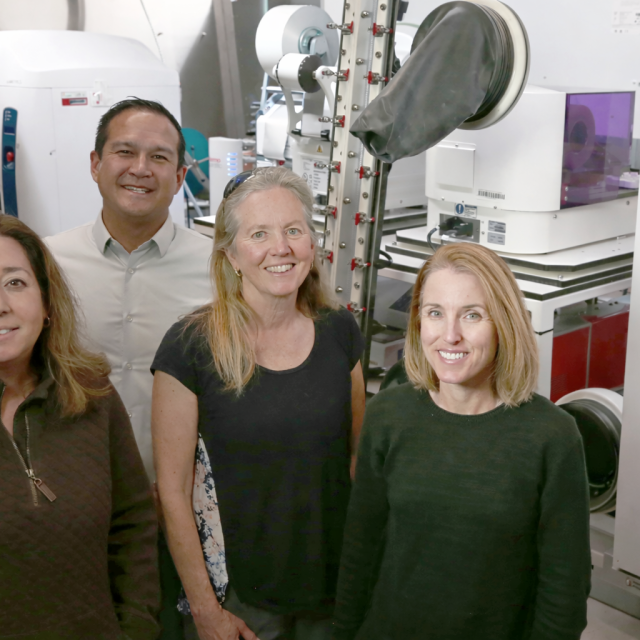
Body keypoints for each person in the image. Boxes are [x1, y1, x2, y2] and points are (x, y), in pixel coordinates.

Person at [332, 242, 591, 640]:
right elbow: (360, 550)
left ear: (503, 323)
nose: (449, 335)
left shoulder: (552, 436)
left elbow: (564, 593)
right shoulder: (388, 413)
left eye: (471, 315)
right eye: (435, 313)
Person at [151, 166, 366, 640]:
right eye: (259, 234)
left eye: (294, 230)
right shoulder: (191, 347)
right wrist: (207, 612)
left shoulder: (339, 331)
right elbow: (172, 492)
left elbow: (356, 459)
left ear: (312, 242)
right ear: (230, 254)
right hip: (241, 602)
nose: (281, 248)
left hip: (332, 592)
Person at [45, 98, 213, 639]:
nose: (141, 168)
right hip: (79, 516)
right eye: (125, 152)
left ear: (181, 175)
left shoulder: (221, 270)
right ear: (95, 164)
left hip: (185, 517)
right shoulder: (46, 265)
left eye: (159, 157)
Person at [0, 214, 158, 639]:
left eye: (14, 282)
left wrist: (137, 629)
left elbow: (133, 523)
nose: (1, 303)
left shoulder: (92, 395)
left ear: (47, 302)